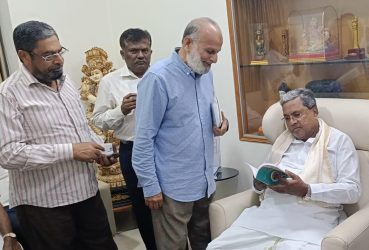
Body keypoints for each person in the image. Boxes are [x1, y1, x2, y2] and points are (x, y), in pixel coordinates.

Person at [0, 20, 118, 250]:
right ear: (24, 56)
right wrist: (71, 151)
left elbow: (79, 128)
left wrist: (98, 149)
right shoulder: (8, 94)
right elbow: (8, 154)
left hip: (86, 194)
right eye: (48, 55)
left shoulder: (65, 81)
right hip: (44, 208)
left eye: (59, 51)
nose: (59, 59)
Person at [207, 88, 361, 250]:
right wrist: (259, 185)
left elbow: (352, 191)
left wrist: (306, 190)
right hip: (267, 218)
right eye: (287, 118)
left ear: (314, 111)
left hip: (312, 221)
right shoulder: (283, 140)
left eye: (297, 115)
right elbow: (265, 174)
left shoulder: (339, 141)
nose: (292, 122)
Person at [132, 17, 229, 250]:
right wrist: (150, 186)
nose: (214, 59)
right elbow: (144, 139)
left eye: (217, 52)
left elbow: (205, 114)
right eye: (210, 51)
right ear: (188, 43)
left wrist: (221, 124)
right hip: (172, 187)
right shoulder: (158, 78)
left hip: (204, 180)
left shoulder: (206, 72)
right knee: (172, 246)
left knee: (205, 242)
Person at [91, 28, 157, 250]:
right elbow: (98, 119)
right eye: (134, 51)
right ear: (123, 53)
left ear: (151, 51)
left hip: (165, 149)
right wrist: (121, 110)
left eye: (144, 50)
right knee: (143, 206)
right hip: (133, 150)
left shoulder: (162, 75)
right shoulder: (110, 82)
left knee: (173, 204)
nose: (140, 55)